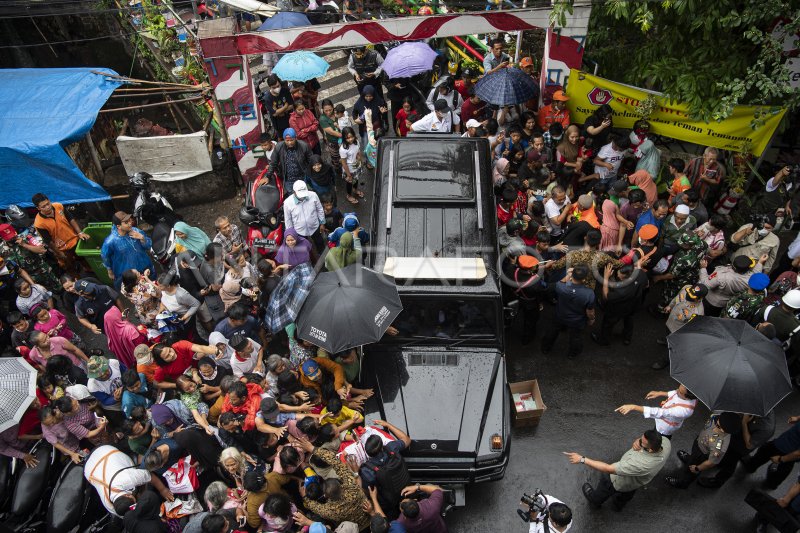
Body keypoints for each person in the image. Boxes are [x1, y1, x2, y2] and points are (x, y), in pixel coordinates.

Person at [564, 429, 670, 510]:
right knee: (626, 495)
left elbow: (608, 468)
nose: (640, 441)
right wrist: (638, 441)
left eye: (642, 443)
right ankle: (618, 505)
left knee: (604, 489)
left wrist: (582, 459)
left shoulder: (640, 464)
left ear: (650, 450)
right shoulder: (665, 442)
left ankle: (595, 501)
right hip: (635, 482)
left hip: (617, 480)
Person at [84, 444, 173, 516]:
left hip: (104, 451)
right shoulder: (110, 506)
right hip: (89, 469)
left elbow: (150, 476)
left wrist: (163, 490)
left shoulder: (127, 479)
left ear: (127, 495)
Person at [665, 412, 742, 488]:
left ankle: (682, 483)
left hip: (702, 454)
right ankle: (690, 459)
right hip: (699, 442)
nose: (714, 427)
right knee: (693, 457)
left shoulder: (720, 445)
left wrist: (697, 468)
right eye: (717, 421)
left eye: (718, 427)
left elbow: (711, 462)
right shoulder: (716, 417)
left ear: (724, 431)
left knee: (690, 472)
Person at [540, 265, 596, 358]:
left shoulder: (560, 286)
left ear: (571, 275)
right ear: (584, 279)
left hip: (560, 315)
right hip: (576, 321)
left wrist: (567, 276)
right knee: (575, 337)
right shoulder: (589, 293)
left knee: (552, 332)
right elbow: (590, 311)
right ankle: (572, 354)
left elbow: (560, 282)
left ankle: (545, 348)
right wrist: (592, 319)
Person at [650, 283, 708, 369]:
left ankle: (664, 362)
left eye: (692, 296)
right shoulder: (686, 288)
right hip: (670, 321)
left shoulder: (697, 313)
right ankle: (666, 340)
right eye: (689, 293)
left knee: (672, 348)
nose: (688, 296)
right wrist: (670, 306)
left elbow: (691, 328)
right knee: (667, 334)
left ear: (700, 298)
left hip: (678, 331)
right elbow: (676, 298)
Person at [546, 230, 624, 291]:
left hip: (573, 284)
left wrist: (549, 264)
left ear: (585, 237)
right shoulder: (602, 257)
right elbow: (619, 264)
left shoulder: (572, 254)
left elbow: (555, 266)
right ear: (599, 242)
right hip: (589, 288)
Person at [31, 192, 90, 273]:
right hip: (62, 248)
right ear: (38, 208)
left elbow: (70, 219)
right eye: (43, 206)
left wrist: (80, 233)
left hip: (74, 240)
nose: (47, 207)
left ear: (49, 200)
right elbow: (49, 241)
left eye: (48, 204)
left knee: (86, 263)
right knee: (70, 269)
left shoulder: (58, 206)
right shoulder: (39, 223)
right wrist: (59, 253)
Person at [591, 263, 647, 346]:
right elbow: (646, 285)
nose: (617, 275)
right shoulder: (641, 273)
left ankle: (604, 340)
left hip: (618, 308)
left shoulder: (622, 291)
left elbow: (606, 296)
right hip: (634, 304)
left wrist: (606, 278)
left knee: (608, 323)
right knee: (629, 320)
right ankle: (627, 337)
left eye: (619, 275)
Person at [615, 384, 697, 438]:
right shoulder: (690, 393)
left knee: (658, 439)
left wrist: (634, 407)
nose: (676, 391)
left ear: (687, 397)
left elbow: (659, 412)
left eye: (679, 392)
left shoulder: (684, 411)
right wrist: (660, 393)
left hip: (665, 427)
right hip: (663, 420)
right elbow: (675, 393)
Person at [743, 413, 800, 490]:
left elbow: (798, 454)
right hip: (782, 442)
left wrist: (781, 459)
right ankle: (751, 467)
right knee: (763, 453)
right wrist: (797, 418)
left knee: (779, 470)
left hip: (787, 451)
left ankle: (769, 484)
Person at [101, 211, 154, 290]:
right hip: (129, 275)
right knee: (135, 292)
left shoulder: (136, 231)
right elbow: (105, 256)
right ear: (118, 226)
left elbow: (148, 246)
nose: (130, 223)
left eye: (130, 220)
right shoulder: (111, 241)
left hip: (145, 268)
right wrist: (110, 271)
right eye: (126, 222)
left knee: (151, 288)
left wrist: (142, 238)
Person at [699, 254, 765, 316]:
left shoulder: (721, 276)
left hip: (712, 302)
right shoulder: (750, 280)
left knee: (706, 314)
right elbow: (756, 274)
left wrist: (703, 268)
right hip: (724, 303)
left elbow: (705, 284)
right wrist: (760, 263)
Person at [267, 128, 314, 194]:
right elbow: (273, 163)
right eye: (287, 140)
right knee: (292, 197)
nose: (289, 142)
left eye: (292, 140)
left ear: (295, 138)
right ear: (284, 140)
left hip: (303, 177)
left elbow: (311, 160)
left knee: (303, 195)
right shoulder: (279, 147)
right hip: (288, 179)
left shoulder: (304, 146)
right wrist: (267, 176)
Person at [283, 180, 325, 253]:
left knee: (320, 243)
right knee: (303, 248)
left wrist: (322, 223)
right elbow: (288, 220)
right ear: (294, 192)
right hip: (299, 231)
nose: (303, 197)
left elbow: (320, 209)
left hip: (315, 227)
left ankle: (322, 255)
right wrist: (290, 234)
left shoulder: (313, 195)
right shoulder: (287, 203)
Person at [261, 74, 294, 138]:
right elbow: (274, 114)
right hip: (278, 124)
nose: (277, 88)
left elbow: (291, 106)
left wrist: (279, 111)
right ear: (270, 87)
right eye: (274, 87)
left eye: (278, 86)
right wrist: (285, 106)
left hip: (290, 119)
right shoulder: (267, 98)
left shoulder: (285, 91)